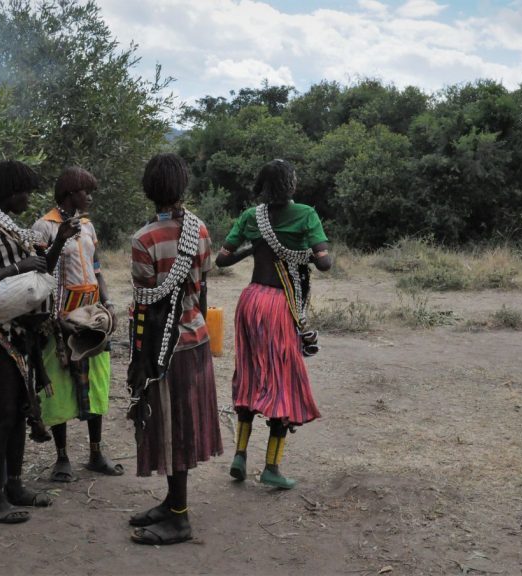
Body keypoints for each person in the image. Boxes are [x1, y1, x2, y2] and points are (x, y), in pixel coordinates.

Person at [0, 160, 78, 524]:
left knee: (17, 414)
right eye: (25, 191)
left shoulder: (8, 227)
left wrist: (59, 242)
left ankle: (14, 485)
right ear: (10, 191)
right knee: (2, 415)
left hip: (18, 335)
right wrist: (15, 269)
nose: (29, 198)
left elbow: (40, 268)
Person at [215, 159, 332, 490]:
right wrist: (312, 255)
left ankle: (239, 456)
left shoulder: (252, 217)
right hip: (280, 306)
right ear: (291, 185)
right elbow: (324, 263)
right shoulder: (306, 214)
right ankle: (271, 467)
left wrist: (254, 248)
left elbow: (222, 259)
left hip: (250, 301)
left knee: (251, 375)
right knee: (282, 383)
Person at [126, 153, 222, 545]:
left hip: (163, 351)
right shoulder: (199, 230)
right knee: (181, 425)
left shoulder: (143, 239)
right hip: (194, 339)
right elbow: (202, 288)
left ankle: (179, 518)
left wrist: (141, 360)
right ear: (182, 186)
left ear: (149, 190)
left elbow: (145, 306)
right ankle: (171, 502)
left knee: (170, 428)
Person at [32, 167, 123, 483]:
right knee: (59, 383)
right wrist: (60, 240)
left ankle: (96, 453)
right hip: (60, 312)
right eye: (86, 191)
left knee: (96, 380)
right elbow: (40, 272)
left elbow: (96, 268)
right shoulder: (44, 227)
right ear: (71, 193)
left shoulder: (87, 226)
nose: (90, 197)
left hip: (91, 310)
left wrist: (108, 302)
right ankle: (62, 458)